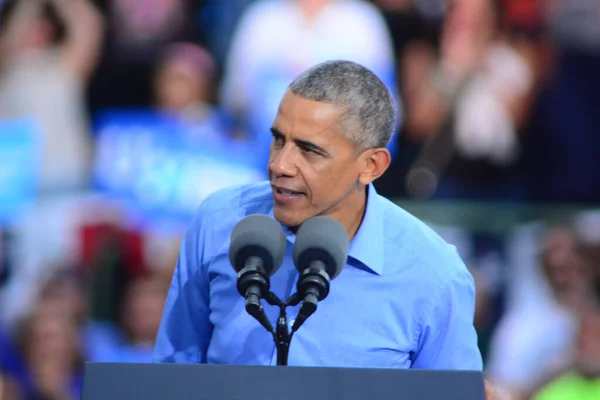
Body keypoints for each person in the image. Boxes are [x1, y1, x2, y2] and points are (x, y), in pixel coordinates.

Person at [154, 59, 482, 370]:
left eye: (310, 151)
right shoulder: (218, 221)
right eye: (278, 140)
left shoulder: (435, 276)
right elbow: (173, 373)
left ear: (371, 166)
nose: (279, 165)